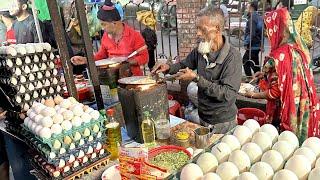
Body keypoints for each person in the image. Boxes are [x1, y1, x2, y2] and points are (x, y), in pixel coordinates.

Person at [152, 6, 242, 133]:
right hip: (203, 115)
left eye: (202, 29)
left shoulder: (232, 57)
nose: (198, 33)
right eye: (197, 28)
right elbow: (185, 63)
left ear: (217, 29)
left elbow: (227, 94)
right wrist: (168, 67)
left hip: (223, 122)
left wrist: (197, 78)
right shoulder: (201, 50)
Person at [244, 8, 320, 142]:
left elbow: (274, 93)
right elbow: (289, 77)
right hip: (303, 104)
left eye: (269, 28)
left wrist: (252, 94)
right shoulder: (298, 49)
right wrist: (264, 74)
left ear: (279, 28)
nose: (267, 33)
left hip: (287, 107)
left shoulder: (278, 57)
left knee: (285, 145)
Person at [71, 0, 148, 76]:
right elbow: (101, 55)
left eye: (103, 24)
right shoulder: (106, 36)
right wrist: (85, 60)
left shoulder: (134, 35)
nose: (102, 28)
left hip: (132, 77)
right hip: (112, 76)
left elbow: (145, 57)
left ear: (114, 23)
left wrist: (127, 62)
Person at [243, 1, 263, 78]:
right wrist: (261, 45)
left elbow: (251, 33)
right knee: (254, 62)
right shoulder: (259, 17)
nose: (246, 9)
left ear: (251, 8)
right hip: (257, 44)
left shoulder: (252, 19)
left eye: (247, 7)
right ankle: (258, 79)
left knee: (246, 61)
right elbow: (261, 32)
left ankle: (250, 78)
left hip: (253, 45)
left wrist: (246, 43)